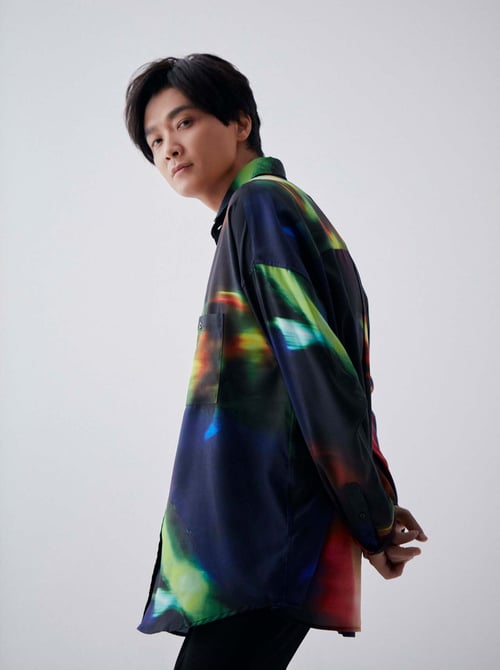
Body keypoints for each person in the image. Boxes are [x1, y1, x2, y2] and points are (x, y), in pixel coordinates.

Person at [124, 54, 427, 670]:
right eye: (154, 140)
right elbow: (319, 374)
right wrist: (369, 501)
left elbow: (318, 372)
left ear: (240, 122)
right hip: (259, 537)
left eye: (184, 122)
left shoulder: (260, 206)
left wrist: (369, 514)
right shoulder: (262, 214)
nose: (168, 147)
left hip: (262, 538)